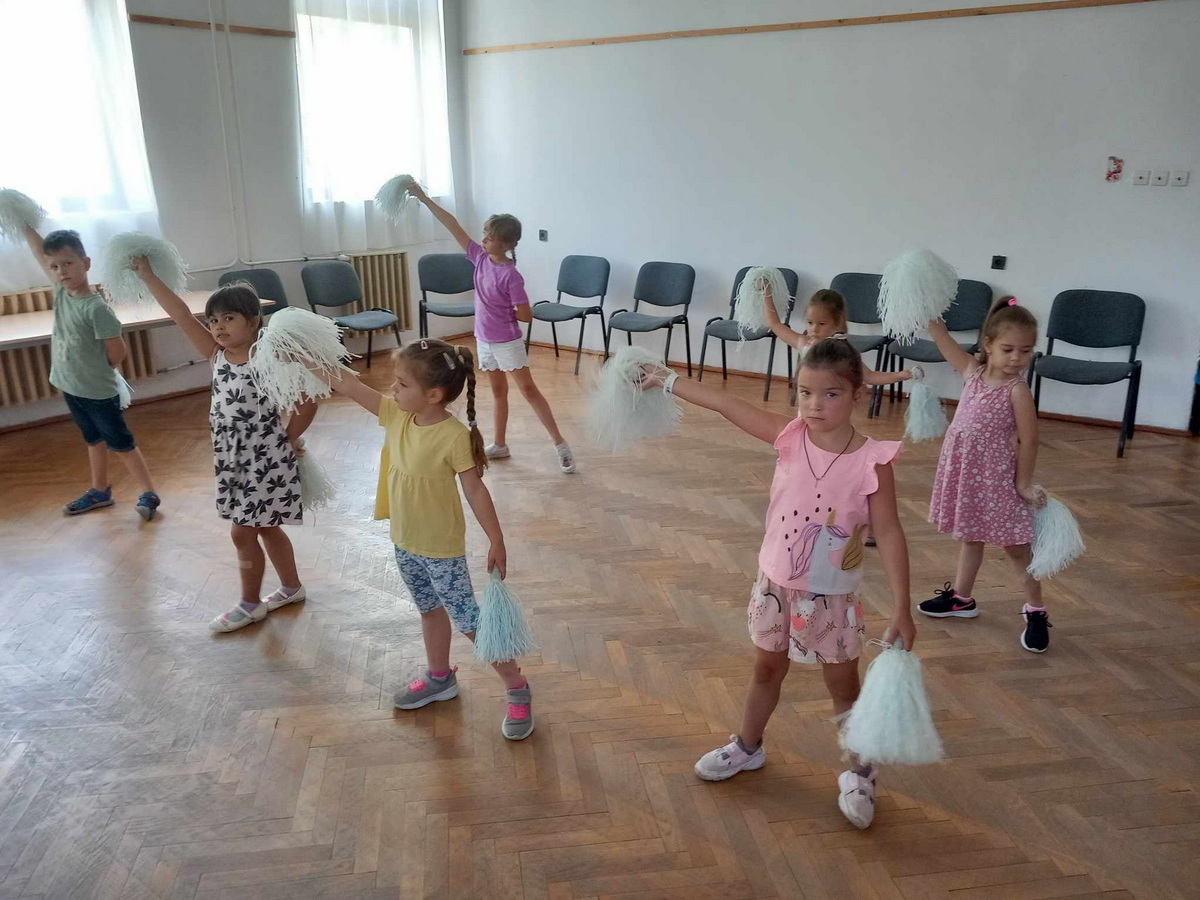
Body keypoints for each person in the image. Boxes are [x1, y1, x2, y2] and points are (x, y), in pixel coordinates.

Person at [643, 339, 916, 829]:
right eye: (805, 392)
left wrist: (902, 607)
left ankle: (860, 771)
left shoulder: (873, 461)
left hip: (831, 598)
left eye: (830, 394)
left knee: (843, 685)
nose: (814, 405)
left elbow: (891, 532)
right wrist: (667, 380)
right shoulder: (790, 436)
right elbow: (727, 403)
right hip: (775, 586)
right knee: (766, 669)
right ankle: (747, 747)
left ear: (858, 394)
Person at [315, 340, 534, 740]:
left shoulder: (454, 436)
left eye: (402, 384)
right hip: (404, 541)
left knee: (470, 622)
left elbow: (475, 490)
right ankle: (439, 677)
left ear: (433, 395)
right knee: (429, 610)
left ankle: (516, 686)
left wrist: (496, 540)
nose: (393, 389)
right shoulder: (396, 415)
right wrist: (304, 357)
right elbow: (348, 385)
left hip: (441, 550)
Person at [134, 263, 314, 632]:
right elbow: (181, 315)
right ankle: (291, 587)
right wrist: (149, 276)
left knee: (242, 532)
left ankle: (250, 604)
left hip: (264, 461)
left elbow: (309, 398)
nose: (218, 326)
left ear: (254, 321)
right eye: (213, 320)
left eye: (228, 318)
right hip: (232, 460)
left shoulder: (267, 358)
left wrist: (289, 436)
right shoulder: (216, 354)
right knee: (267, 527)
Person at [407, 183, 575, 473]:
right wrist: (423, 197)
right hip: (484, 339)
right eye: (484, 234)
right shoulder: (479, 257)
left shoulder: (511, 276)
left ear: (506, 244)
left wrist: (504, 310)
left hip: (507, 342)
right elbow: (452, 224)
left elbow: (526, 315)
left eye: (490, 237)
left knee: (529, 391)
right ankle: (500, 444)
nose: (483, 239)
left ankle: (561, 445)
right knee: (499, 392)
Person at [917, 297, 1052, 653]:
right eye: (1008, 349)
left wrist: (1022, 485)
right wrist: (925, 305)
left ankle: (1036, 610)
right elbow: (942, 337)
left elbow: (1029, 440)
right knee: (971, 537)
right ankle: (962, 599)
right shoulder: (972, 373)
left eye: (1025, 351)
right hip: (969, 475)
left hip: (998, 480)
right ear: (988, 345)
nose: (1017, 358)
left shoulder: (1017, 390)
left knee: (1016, 548)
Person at [21, 226, 159, 518]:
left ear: (85, 264)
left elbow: (118, 351)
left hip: (98, 392)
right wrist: (21, 222)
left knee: (121, 443)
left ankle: (149, 493)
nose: (61, 271)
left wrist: (96, 369)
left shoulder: (96, 309)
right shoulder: (61, 293)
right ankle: (100, 490)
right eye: (54, 267)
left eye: (68, 263)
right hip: (70, 387)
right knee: (93, 439)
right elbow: (38, 249)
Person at [764, 287, 914, 386]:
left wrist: (901, 375)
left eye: (822, 323)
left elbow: (869, 376)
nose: (814, 329)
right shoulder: (803, 343)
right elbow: (775, 324)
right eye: (810, 322)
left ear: (837, 322)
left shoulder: (841, 352)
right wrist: (766, 293)